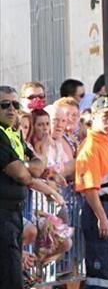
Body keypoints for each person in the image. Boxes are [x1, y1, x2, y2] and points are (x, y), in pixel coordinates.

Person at [76, 96, 108, 289]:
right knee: (100, 274)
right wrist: (102, 217)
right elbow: (90, 188)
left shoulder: (104, 142)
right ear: (93, 118)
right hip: (99, 210)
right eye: (106, 117)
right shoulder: (91, 147)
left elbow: (107, 183)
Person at [0, 85, 41, 287]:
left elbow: (40, 165)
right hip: (2, 215)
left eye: (15, 105)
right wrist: (27, 168)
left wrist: (26, 167)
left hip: (14, 214)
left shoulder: (13, 135)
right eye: (4, 105)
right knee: (10, 279)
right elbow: (23, 175)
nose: (11, 109)